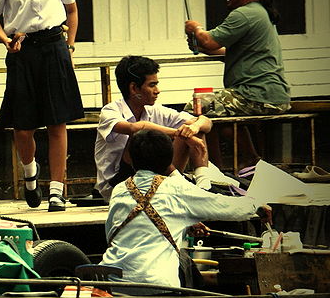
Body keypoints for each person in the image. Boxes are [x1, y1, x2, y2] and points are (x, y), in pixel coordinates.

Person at [0, 0, 84, 212]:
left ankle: (57, 190)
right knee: (23, 126)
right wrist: (4, 39)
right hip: (21, 49)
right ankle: (30, 174)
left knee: (58, 122)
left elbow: (72, 11)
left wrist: (68, 46)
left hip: (54, 48)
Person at [100, 129, 272, 293]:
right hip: (157, 284)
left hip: (113, 283)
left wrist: (180, 223)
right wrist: (258, 206)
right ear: (169, 161)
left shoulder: (120, 189)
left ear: (130, 159)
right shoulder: (176, 188)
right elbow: (224, 206)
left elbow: (112, 233)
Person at [184, 0, 291, 177]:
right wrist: (198, 42)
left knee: (199, 105)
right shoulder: (260, 12)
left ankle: (212, 168)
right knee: (219, 109)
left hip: (257, 94)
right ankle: (250, 159)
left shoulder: (245, 14)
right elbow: (214, 47)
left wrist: (196, 29)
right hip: (267, 93)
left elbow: (209, 40)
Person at [94, 56, 238, 201]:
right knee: (143, 137)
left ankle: (203, 185)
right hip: (117, 186)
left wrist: (194, 127)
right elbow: (136, 128)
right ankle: (180, 183)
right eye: (152, 85)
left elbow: (206, 122)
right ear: (134, 88)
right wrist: (178, 133)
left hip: (152, 179)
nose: (158, 90)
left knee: (191, 128)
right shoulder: (110, 111)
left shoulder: (154, 110)